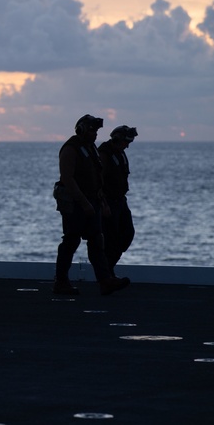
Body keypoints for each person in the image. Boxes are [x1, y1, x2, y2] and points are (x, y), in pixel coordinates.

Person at [53, 115, 130, 296]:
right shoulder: (71, 149)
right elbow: (67, 179)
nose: (95, 134)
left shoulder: (91, 148)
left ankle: (105, 281)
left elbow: (97, 179)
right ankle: (61, 281)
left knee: (97, 241)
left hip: (92, 202)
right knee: (71, 241)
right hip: (75, 204)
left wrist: (101, 202)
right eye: (92, 130)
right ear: (81, 130)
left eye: (96, 131)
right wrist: (84, 202)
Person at [99, 125, 138, 274]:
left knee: (127, 234)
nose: (127, 146)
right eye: (125, 142)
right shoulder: (104, 154)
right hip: (108, 202)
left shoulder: (120, 154)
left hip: (120, 201)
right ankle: (106, 273)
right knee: (110, 239)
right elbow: (98, 181)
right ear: (116, 139)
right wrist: (103, 204)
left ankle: (108, 269)